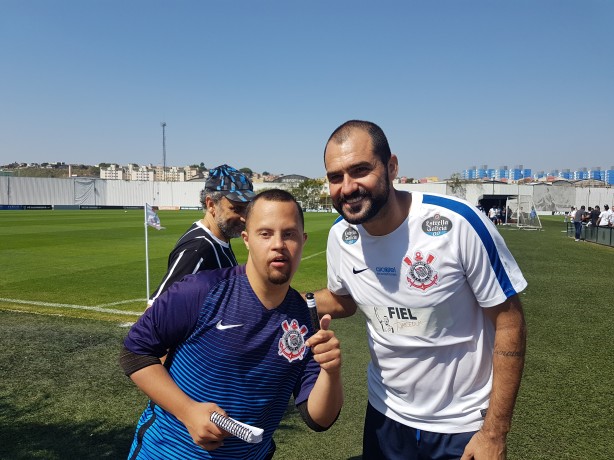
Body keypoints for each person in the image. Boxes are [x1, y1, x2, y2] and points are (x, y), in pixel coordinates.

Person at [313, 120, 527, 459]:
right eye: (335, 177)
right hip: (385, 415)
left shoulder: (459, 224)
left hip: (462, 424)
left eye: (360, 170)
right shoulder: (342, 235)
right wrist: (290, 302)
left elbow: (509, 321)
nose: (348, 187)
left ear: (392, 167)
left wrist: (495, 432)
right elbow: (345, 299)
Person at [121, 189, 343, 459]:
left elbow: (318, 418)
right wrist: (187, 411)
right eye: (265, 233)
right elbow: (134, 352)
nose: (278, 244)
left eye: (289, 234)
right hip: (166, 453)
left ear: (303, 240)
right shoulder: (201, 290)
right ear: (247, 239)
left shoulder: (305, 320)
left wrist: (331, 371)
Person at [148, 164, 256, 307]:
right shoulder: (198, 248)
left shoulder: (220, 239)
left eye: (247, 209)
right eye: (236, 209)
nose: (244, 217)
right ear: (211, 204)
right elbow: (155, 310)